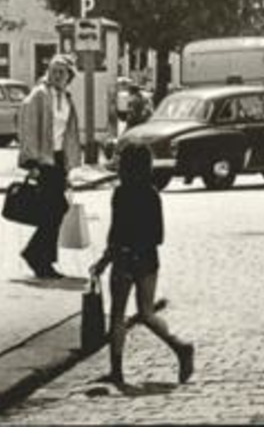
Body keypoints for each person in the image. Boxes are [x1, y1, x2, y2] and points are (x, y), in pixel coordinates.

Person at [91, 144, 195, 387]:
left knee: (117, 315)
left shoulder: (120, 194)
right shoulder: (152, 194)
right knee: (146, 313)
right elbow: (158, 235)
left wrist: (106, 259)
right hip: (147, 258)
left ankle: (116, 371)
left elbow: (115, 232)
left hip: (124, 259)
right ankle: (180, 346)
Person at [16, 53, 83, 279]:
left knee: (56, 209)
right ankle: (39, 258)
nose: (56, 75)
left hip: (58, 160)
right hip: (43, 159)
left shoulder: (67, 98)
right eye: (53, 70)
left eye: (61, 72)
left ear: (69, 76)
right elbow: (27, 127)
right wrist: (31, 162)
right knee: (53, 210)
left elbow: (69, 133)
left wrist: (70, 163)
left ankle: (40, 257)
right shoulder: (39, 95)